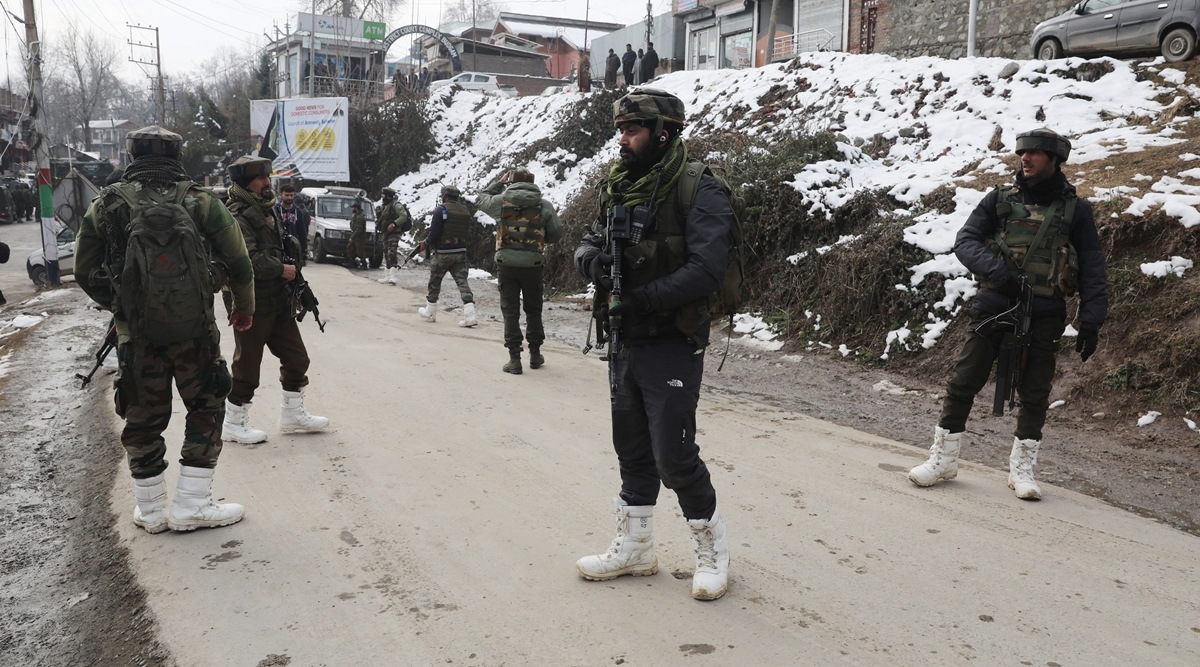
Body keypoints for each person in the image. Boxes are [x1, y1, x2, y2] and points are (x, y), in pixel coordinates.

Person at [573, 88, 733, 601]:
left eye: (632, 130)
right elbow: (588, 241)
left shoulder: (698, 188)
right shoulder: (621, 183)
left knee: (674, 453)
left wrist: (641, 300)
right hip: (625, 338)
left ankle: (712, 550)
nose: (623, 139)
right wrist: (592, 263)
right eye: (621, 129)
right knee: (633, 449)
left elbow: (706, 269)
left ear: (663, 131)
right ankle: (637, 546)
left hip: (671, 338)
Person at [908, 128, 1108, 500]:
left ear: (1055, 160)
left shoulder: (1075, 210)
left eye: (1034, 153)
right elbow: (965, 241)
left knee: (1035, 392)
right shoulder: (999, 199)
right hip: (994, 305)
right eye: (1022, 153)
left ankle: (1022, 468)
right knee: (963, 381)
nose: (1025, 159)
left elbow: (1093, 266)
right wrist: (999, 274)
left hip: (1046, 311)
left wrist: (1092, 317)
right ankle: (944, 459)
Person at [74, 125, 256, 533]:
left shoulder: (106, 205)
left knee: (141, 414)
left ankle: (152, 510)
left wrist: (123, 304)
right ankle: (193, 503)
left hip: (136, 336)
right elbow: (240, 262)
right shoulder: (201, 201)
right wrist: (243, 309)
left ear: (133, 155)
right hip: (195, 331)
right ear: (177, 155)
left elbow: (84, 271)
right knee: (206, 405)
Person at [221, 155, 329, 445]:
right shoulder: (237, 215)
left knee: (297, 358)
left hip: (277, 300)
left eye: (267, 177)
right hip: (251, 302)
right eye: (260, 178)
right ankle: (233, 423)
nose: (267, 182)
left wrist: (295, 286)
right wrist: (281, 270)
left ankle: (292, 415)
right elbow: (246, 259)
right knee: (247, 368)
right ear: (245, 183)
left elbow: (283, 249)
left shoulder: (268, 208)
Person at [474, 168, 563, 374]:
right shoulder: (544, 205)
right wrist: (539, 239)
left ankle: (514, 359)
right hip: (533, 265)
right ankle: (535, 354)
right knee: (533, 310)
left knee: (510, 312)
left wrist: (498, 183)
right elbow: (556, 233)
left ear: (511, 183)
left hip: (506, 265)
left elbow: (480, 198)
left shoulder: (501, 202)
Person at [417, 186, 478, 328]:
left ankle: (430, 312)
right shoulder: (465, 211)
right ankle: (470, 315)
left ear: (444, 196)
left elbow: (434, 234)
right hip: (461, 252)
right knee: (463, 283)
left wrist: (425, 243)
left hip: (443, 253)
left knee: (435, 282)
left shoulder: (441, 210)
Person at [375, 187, 412, 285]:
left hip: (394, 232)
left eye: (384, 195)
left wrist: (394, 224)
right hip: (386, 233)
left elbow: (403, 216)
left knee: (392, 252)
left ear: (388, 196)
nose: (382, 196)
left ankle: (393, 276)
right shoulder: (384, 206)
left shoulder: (396, 205)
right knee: (386, 253)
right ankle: (387, 276)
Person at [275, 184, 310, 260]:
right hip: (278, 246)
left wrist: (304, 249)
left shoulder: (298, 212)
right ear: (281, 195)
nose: (289, 198)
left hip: (293, 247)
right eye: (286, 195)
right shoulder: (275, 210)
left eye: (291, 195)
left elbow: (302, 232)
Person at [346, 201, 369, 269]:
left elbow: (359, 229)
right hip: (355, 235)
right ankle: (351, 262)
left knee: (360, 251)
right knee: (350, 248)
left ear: (356, 208)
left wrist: (352, 238)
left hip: (359, 237)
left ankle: (364, 264)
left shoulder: (360, 217)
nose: (352, 209)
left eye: (353, 208)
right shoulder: (356, 215)